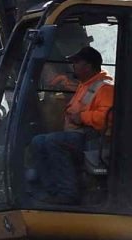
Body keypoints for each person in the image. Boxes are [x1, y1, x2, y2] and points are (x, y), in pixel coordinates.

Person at [28, 46, 114, 205]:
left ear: (88, 66)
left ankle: (68, 193)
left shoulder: (105, 88)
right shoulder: (85, 85)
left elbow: (107, 117)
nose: (73, 66)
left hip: (93, 139)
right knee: (38, 141)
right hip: (78, 135)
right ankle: (52, 190)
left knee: (53, 141)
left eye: (76, 62)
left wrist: (81, 117)